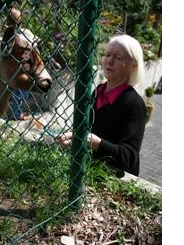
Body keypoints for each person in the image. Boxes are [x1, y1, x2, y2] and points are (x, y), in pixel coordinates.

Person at [58, 34, 147, 177]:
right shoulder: (98, 91)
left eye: (118, 57)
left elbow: (129, 157)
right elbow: (88, 131)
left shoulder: (134, 105)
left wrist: (96, 143)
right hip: (87, 171)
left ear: (133, 66)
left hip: (113, 180)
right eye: (107, 55)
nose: (109, 61)